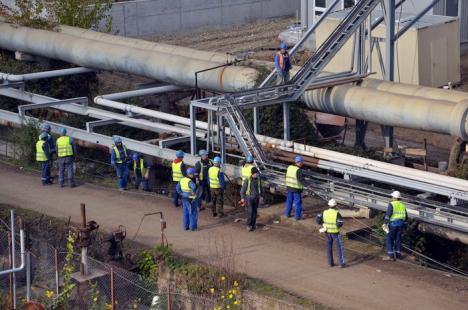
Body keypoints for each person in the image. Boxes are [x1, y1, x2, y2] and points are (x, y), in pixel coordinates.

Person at [317, 199, 346, 268]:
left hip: (327, 233)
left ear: (329, 205)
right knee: (339, 248)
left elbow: (318, 220)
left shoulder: (324, 212)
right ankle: (341, 263)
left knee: (329, 248)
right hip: (335, 233)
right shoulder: (337, 213)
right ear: (335, 205)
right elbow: (340, 223)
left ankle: (330, 263)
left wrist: (323, 224)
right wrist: (336, 226)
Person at [384, 191, 408, 261]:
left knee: (389, 239)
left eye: (392, 196)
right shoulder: (403, 205)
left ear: (394, 197)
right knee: (398, 240)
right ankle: (398, 255)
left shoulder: (392, 204)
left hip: (393, 225)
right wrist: (405, 227)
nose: (391, 197)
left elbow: (388, 215)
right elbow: (406, 217)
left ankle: (391, 256)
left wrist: (385, 223)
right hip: (401, 225)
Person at [241, 167, 263, 232]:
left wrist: (262, 196)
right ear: (253, 173)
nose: (257, 174)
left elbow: (261, 188)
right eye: (256, 173)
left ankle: (253, 224)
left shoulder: (258, 179)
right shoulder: (247, 180)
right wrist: (242, 198)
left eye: (257, 173)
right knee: (250, 212)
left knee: (255, 212)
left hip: (256, 198)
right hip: (249, 199)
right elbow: (242, 190)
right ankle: (248, 225)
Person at [284, 156, 306, 220]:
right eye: (302, 162)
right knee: (297, 203)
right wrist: (308, 185)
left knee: (289, 201)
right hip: (296, 189)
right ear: (299, 162)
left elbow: (286, 176)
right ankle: (297, 217)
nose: (302, 163)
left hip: (289, 187)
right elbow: (301, 180)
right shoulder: (298, 170)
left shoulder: (289, 167)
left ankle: (287, 214)